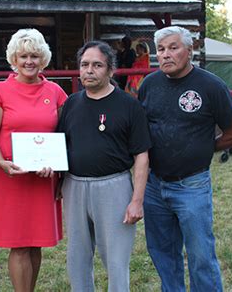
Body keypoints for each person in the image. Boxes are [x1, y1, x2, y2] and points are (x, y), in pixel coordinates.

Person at [138, 26, 232, 291]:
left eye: (173, 48)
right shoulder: (149, 85)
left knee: (200, 257)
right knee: (163, 254)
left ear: (190, 51)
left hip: (192, 186)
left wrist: (202, 149)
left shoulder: (211, 86)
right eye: (160, 49)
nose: (165, 55)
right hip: (154, 186)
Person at [58, 40, 151, 291]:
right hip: (74, 186)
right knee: (77, 258)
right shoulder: (71, 104)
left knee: (116, 260)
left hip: (114, 187)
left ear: (111, 70)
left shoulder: (129, 105)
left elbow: (141, 156)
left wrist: (136, 200)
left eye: (97, 65)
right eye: (85, 64)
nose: (89, 70)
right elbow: (60, 147)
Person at [0, 28, 67, 291]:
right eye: (23, 56)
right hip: (11, 176)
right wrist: (1, 163)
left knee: (35, 242)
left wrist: (55, 164)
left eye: (34, 55)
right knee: (19, 245)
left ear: (42, 58)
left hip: (43, 177)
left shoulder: (55, 92)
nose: (29, 61)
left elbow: (64, 134)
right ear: (14, 59)